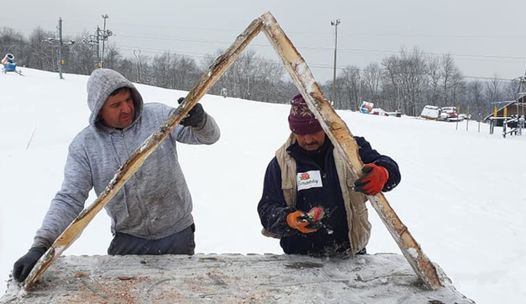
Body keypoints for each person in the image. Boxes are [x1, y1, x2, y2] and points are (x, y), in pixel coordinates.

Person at [12, 68, 221, 282]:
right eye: (115, 105)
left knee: (178, 292)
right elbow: (70, 198)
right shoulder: (85, 146)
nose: (127, 109)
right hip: (129, 239)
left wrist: (200, 120)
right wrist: (41, 246)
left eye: (128, 100)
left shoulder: (158, 117)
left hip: (177, 233)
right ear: (98, 110)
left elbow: (209, 137)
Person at [257, 94, 400, 256]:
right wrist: (289, 220)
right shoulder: (281, 163)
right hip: (300, 261)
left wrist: (384, 172)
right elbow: (267, 210)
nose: (308, 139)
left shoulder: (351, 148)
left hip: (351, 256)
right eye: (300, 132)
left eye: (314, 131)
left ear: (325, 125)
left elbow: (390, 169)